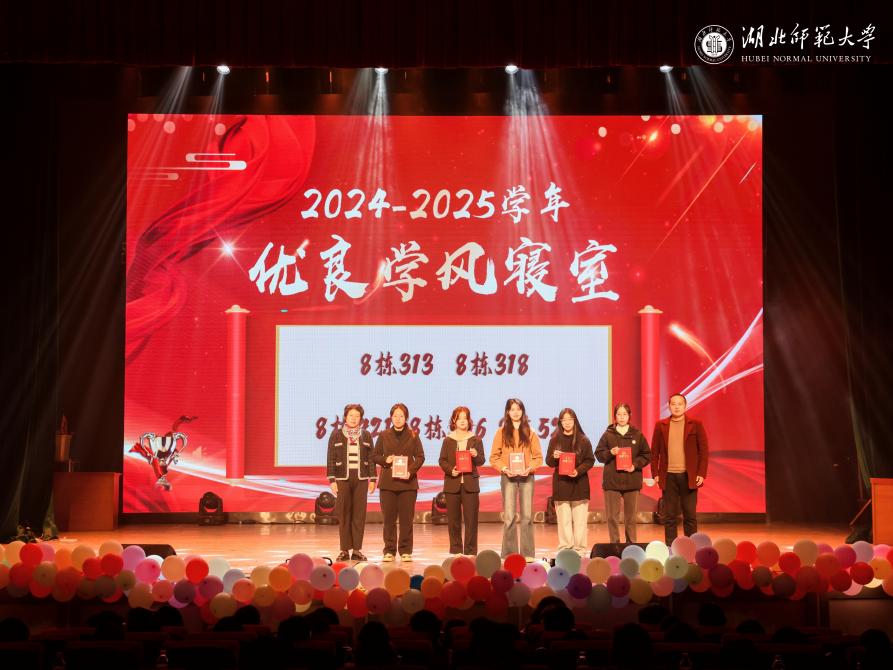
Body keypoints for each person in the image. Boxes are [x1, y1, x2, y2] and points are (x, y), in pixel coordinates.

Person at [650, 393, 709, 544]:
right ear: (669, 406)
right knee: (670, 516)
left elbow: (703, 451)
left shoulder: (695, 424)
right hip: (668, 475)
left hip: (689, 476)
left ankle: (691, 546)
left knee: (690, 515)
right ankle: (671, 547)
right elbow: (654, 452)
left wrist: (701, 473)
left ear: (685, 406)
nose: (676, 407)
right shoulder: (661, 425)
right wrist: (655, 473)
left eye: (680, 404)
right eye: (673, 404)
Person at [489, 398, 542, 560]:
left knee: (527, 516)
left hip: (527, 476)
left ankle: (527, 553)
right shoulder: (501, 432)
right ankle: (509, 553)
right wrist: (505, 468)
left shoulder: (531, 432)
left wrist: (529, 468)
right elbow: (494, 457)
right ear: (507, 412)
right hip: (508, 477)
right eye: (512, 409)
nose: (516, 412)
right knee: (509, 516)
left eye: (518, 409)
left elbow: (538, 457)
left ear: (523, 411)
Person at [373, 403, 425, 562]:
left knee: (406, 520)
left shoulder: (413, 435)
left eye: (401, 416)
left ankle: (405, 551)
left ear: (406, 418)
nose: (398, 419)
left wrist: (411, 471)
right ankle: (389, 551)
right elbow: (375, 456)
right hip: (388, 483)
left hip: (408, 483)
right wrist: (385, 460)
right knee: (388, 520)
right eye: (395, 416)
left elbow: (420, 457)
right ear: (391, 417)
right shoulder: (384, 435)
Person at [595, 402, 652, 544]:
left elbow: (646, 455)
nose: (621, 417)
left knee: (630, 518)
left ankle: (631, 545)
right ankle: (614, 545)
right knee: (612, 517)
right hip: (612, 482)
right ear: (615, 416)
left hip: (632, 480)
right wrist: (610, 452)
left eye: (624, 414)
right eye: (619, 414)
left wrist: (635, 465)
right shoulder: (608, 435)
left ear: (629, 416)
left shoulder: (637, 434)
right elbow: (599, 455)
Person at [327, 403, 376, 562]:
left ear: (361, 418)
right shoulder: (336, 434)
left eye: (357, 416)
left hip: (361, 479)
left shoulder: (366, 435)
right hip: (342, 479)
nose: (354, 418)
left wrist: (373, 479)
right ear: (345, 417)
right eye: (351, 415)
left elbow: (371, 458)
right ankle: (344, 550)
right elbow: (330, 458)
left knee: (359, 515)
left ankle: (357, 550)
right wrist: (332, 480)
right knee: (344, 514)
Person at [545, 408, 594, 556]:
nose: (567, 423)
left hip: (579, 484)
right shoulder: (554, 440)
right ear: (560, 422)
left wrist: (578, 471)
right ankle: (565, 549)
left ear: (575, 421)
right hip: (561, 484)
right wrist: (554, 456)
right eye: (564, 420)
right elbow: (549, 462)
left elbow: (590, 460)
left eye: (570, 419)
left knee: (580, 521)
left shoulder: (583, 440)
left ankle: (580, 550)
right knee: (564, 521)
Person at [438, 406, 485, 555]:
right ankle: (456, 550)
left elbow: (481, 461)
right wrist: (450, 470)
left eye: (465, 418)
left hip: (470, 484)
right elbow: (442, 460)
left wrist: (476, 455)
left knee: (471, 520)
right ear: (454, 420)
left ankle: (470, 551)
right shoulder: (448, 440)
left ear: (469, 420)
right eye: (459, 418)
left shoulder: (476, 439)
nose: (462, 421)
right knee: (453, 520)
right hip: (452, 484)